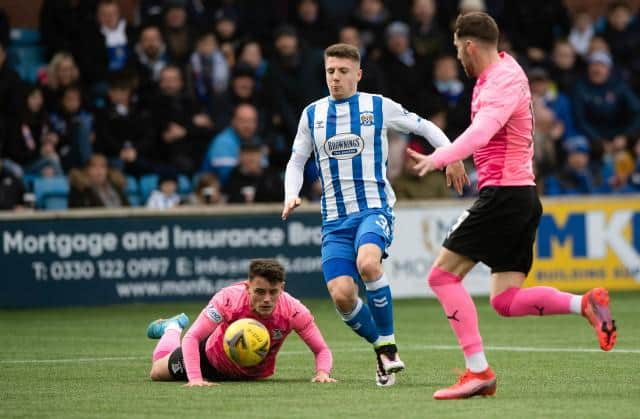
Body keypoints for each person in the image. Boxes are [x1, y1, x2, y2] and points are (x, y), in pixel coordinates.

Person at [406, 12, 617, 400]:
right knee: (504, 300)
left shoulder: (498, 83)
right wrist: (455, 155)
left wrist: (436, 158)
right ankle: (583, 303)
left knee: (441, 277)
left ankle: (477, 371)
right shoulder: (506, 70)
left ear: (469, 46)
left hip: (503, 196)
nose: (458, 58)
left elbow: (483, 131)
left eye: (457, 49)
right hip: (521, 197)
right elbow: (484, 134)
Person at [281, 43, 468, 386]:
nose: (335, 78)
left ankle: (388, 344)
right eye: (330, 72)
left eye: (342, 71)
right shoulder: (312, 114)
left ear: (358, 74)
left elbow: (424, 126)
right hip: (334, 221)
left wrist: (451, 155)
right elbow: (296, 161)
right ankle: (383, 349)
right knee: (342, 295)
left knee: (368, 264)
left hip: (373, 208)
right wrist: (291, 194)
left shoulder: (378, 106)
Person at [146, 259, 335, 385]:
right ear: (247, 287)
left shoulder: (294, 311)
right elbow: (193, 337)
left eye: (273, 292)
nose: (267, 299)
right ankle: (172, 328)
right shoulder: (228, 299)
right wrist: (195, 378)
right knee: (156, 372)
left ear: (282, 288)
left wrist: (322, 373)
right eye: (260, 292)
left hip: (254, 375)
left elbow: (322, 350)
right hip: (209, 360)